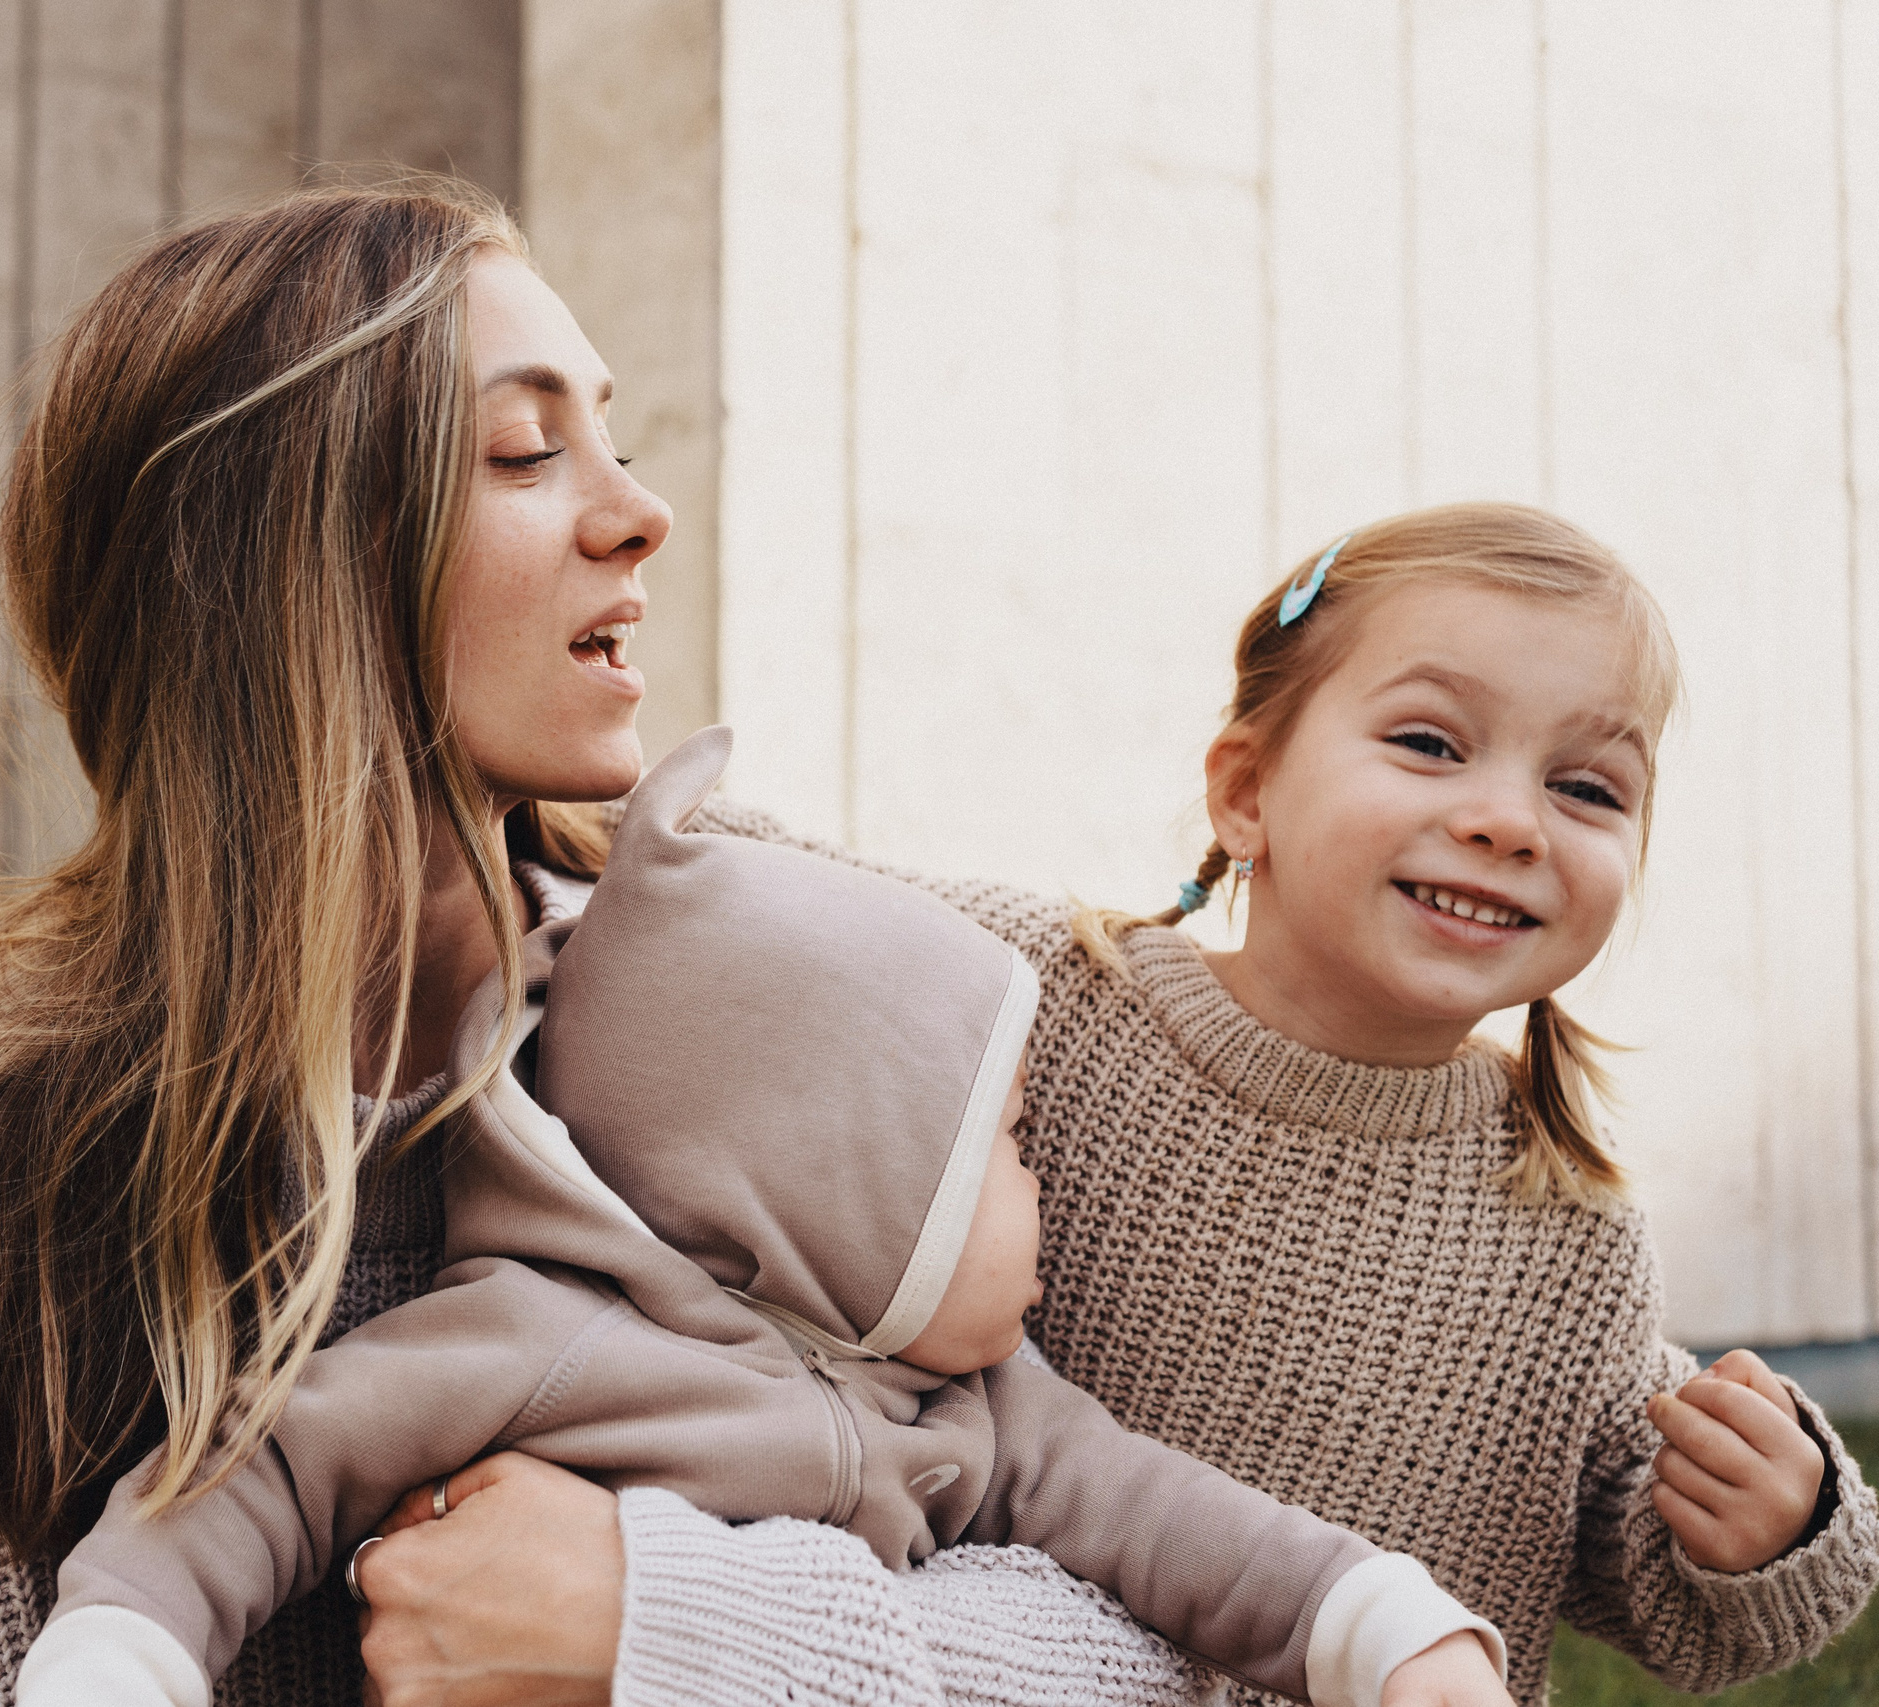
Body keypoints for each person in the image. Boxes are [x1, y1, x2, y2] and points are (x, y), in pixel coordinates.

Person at [0, 182, 1241, 1707]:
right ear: (286, 566)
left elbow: (1152, 1625)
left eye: (612, 439)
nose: (641, 512)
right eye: (527, 454)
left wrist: (675, 1630)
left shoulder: (753, 990)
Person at [658, 503, 1879, 1704]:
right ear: (1246, 792)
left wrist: (1773, 1522)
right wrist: (577, 792)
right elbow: (752, 882)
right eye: (1430, 743)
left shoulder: (1566, 1233)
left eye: (1587, 789)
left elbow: (1658, 1587)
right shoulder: (1033, 998)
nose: (1509, 823)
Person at [17, 724, 1509, 1707]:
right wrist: (121, 1653)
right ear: (846, 1183)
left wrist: (1386, 1631)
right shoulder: (534, 1339)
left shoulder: (985, 1409)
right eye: (1004, 1147)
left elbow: (1187, 1529)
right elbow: (259, 1470)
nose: (1043, 1188)